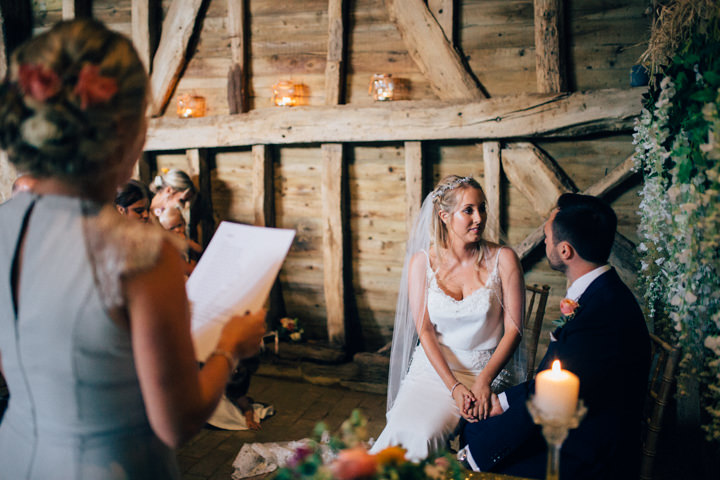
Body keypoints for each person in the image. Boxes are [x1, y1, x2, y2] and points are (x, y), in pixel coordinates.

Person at [0, 19, 266, 479]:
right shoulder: (139, 251)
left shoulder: (4, 223)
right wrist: (228, 346)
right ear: (125, 131)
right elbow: (177, 423)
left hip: (16, 453)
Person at [459, 193, 651, 480]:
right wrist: (502, 403)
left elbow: (548, 401)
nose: (545, 240)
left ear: (565, 251)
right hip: (576, 418)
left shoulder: (601, 315)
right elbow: (550, 382)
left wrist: (475, 457)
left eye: (547, 235)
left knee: (475, 438)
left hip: (590, 452)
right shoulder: (599, 292)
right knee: (476, 424)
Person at [369, 175, 526, 461]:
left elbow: (514, 330)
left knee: (425, 436)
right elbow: (425, 330)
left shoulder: (504, 259)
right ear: (444, 216)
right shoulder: (421, 263)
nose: (479, 218)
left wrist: (483, 382)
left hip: (486, 369)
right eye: (468, 210)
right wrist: (453, 387)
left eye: (482, 208)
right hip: (434, 370)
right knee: (404, 434)